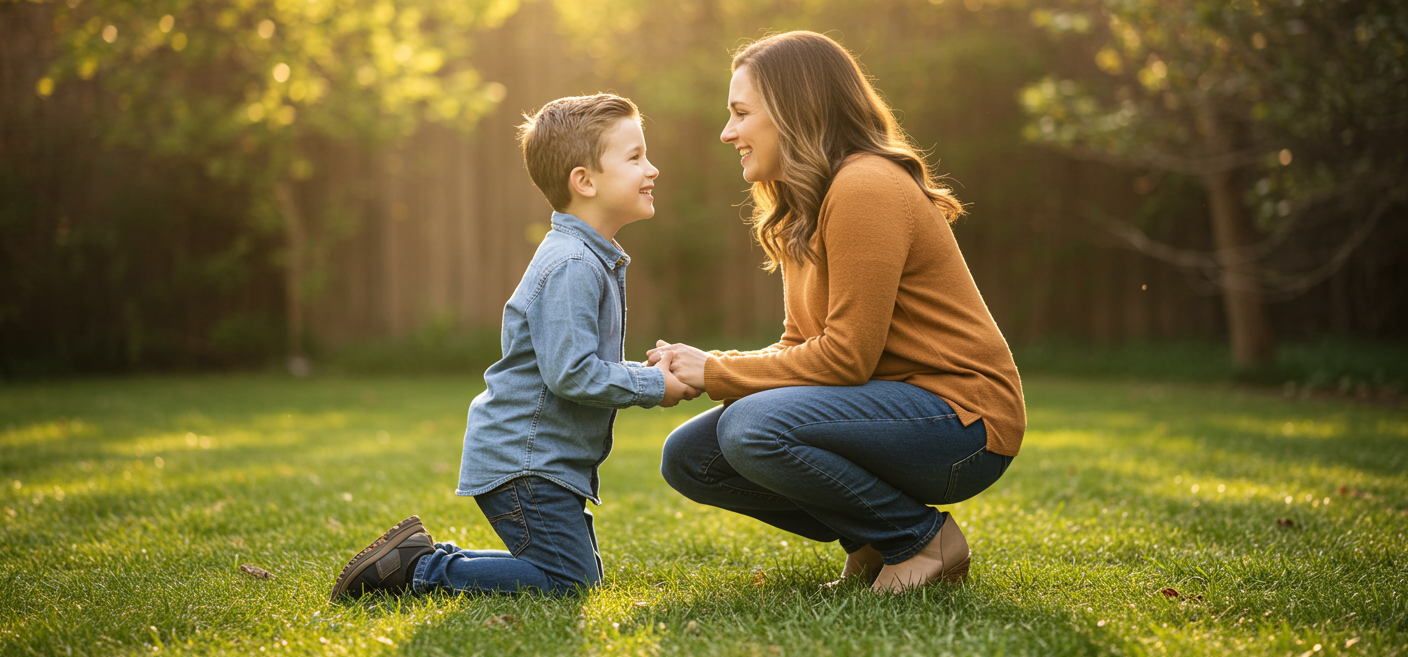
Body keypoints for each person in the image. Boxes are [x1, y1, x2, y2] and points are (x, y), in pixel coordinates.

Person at [649, 31, 1026, 593]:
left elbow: (847, 357)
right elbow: (801, 344)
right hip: (891, 410)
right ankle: (872, 540)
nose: (728, 132)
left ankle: (921, 540)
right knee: (691, 456)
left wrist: (719, 372)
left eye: (741, 113)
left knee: (752, 427)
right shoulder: (808, 202)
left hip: (961, 422)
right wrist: (706, 367)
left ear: (792, 111)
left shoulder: (866, 186)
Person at [329, 93, 699, 602]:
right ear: (584, 181)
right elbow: (571, 374)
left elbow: (574, 365)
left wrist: (650, 369)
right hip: (525, 462)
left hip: (538, 462)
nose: (651, 168)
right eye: (635, 157)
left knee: (570, 572)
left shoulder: (587, 257)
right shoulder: (573, 264)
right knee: (569, 584)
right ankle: (419, 571)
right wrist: (653, 384)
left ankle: (417, 558)